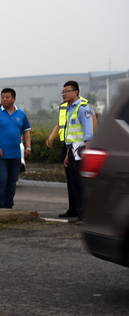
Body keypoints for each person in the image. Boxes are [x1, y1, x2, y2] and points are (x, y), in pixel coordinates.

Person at [46, 81, 94, 220]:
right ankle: (76, 209)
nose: (64, 94)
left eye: (67, 91)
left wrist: (87, 152)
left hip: (81, 151)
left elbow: (88, 132)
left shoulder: (82, 107)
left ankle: (85, 212)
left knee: (81, 182)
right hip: (71, 150)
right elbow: (66, 131)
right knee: (73, 181)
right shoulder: (67, 108)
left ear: (76, 92)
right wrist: (67, 152)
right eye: (63, 91)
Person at [0, 88, 32, 209]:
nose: (4, 99)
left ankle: (8, 205)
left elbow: (26, 132)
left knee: (12, 182)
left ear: (14, 99)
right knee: (2, 180)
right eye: (2, 97)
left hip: (15, 154)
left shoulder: (21, 114)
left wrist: (28, 148)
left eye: (7, 97)